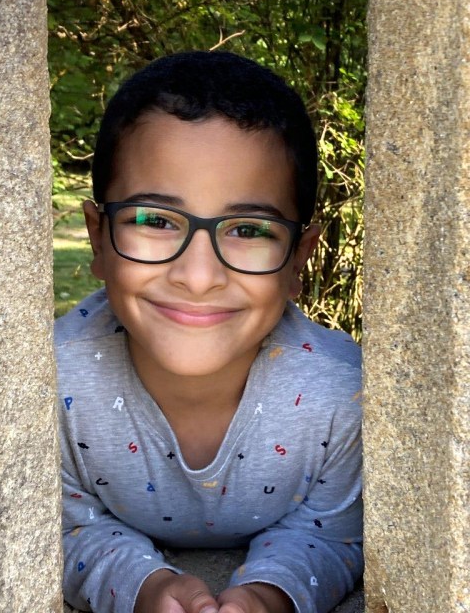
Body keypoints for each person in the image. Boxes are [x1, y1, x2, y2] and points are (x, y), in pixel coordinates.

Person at [55, 50, 363, 613]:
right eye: (154, 220)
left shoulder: (346, 395)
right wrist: (143, 585)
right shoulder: (49, 383)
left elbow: (332, 532)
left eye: (249, 229)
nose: (198, 277)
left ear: (299, 258)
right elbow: (65, 526)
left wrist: (270, 594)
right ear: (98, 239)